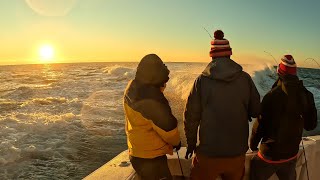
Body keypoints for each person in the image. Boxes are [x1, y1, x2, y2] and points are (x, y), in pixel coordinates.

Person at [184, 30, 260, 180]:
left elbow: (191, 117)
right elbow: (256, 110)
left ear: (212, 55)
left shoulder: (201, 81)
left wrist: (191, 143)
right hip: (237, 155)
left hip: (207, 155)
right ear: (230, 54)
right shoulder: (245, 79)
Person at [250, 55, 318, 180]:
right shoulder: (307, 95)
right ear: (295, 73)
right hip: (291, 155)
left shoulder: (271, 96)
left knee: (254, 169)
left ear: (279, 72)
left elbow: (259, 126)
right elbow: (310, 126)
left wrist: (253, 145)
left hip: (269, 156)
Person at [123, 54, 181, 180]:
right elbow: (168, 129)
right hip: (152, 159)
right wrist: (177, 142)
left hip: (136, 153)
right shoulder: (153, 99)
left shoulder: (132, 87)